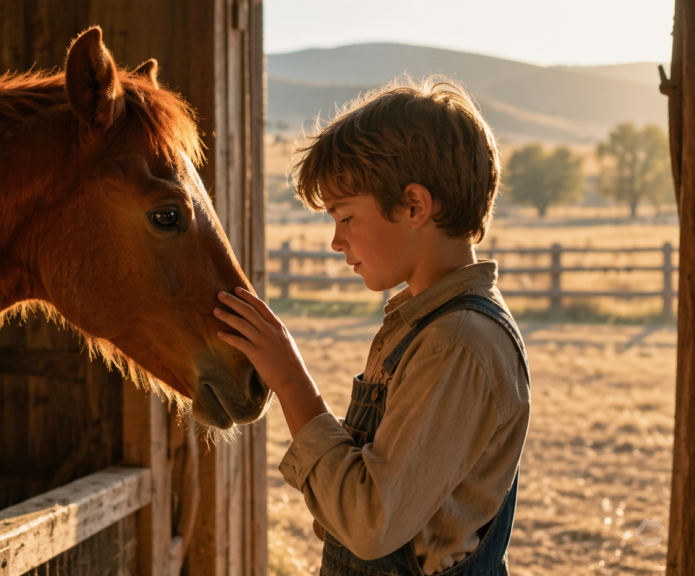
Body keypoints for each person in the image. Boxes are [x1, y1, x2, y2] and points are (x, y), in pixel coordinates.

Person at [212, 75, 531, 575]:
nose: (337, 242)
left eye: (345, 217)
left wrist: (292, 383)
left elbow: (369, 523)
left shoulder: (458, 344)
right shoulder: (419, 326)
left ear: (413, 207)